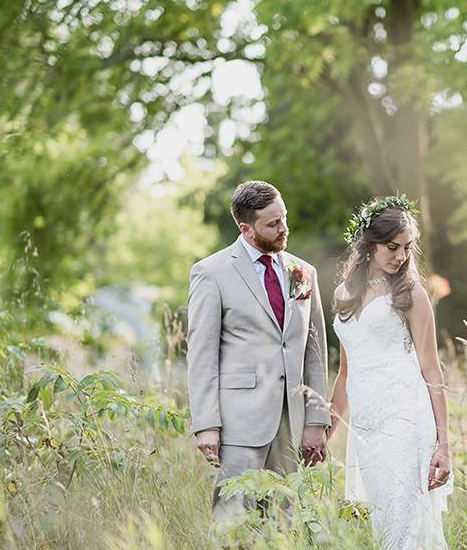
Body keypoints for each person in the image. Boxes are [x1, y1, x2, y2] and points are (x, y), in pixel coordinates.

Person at [186, 180, 329, 520]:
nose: (284, 229)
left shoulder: (302, 272)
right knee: (232, 524)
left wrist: (316, 420)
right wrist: (206, 423)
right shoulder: (211, 272)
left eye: (285, 218)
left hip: (291, 423)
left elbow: (315, 351)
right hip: (239, 424)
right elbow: (201, 354)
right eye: (273, 224)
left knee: (284, 525)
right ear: (246, 229)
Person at [327, 195, 452, 550]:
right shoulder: (344, 293)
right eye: (392, 247)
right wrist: (327, 429)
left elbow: (432, 370)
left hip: (406, 418)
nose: (401, 256)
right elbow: (345, 374)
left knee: (404, 523)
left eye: (407, 248)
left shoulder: (412, 294)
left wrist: (444, 445)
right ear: (369, 245)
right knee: (384, 522)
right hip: (367, 425)